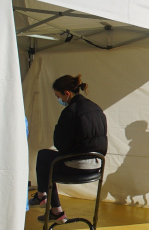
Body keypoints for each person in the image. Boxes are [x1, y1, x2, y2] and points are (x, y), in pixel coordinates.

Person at [28, 74, 108, 224]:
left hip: (78, 167)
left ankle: (44, 199)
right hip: (98, 165)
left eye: (58, 96)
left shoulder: (71, 111)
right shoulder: (96, 108)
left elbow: (60, 144)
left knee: (44, 156)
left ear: (67, 93)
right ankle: (50, 206)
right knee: (49, 160)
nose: (58, 99)